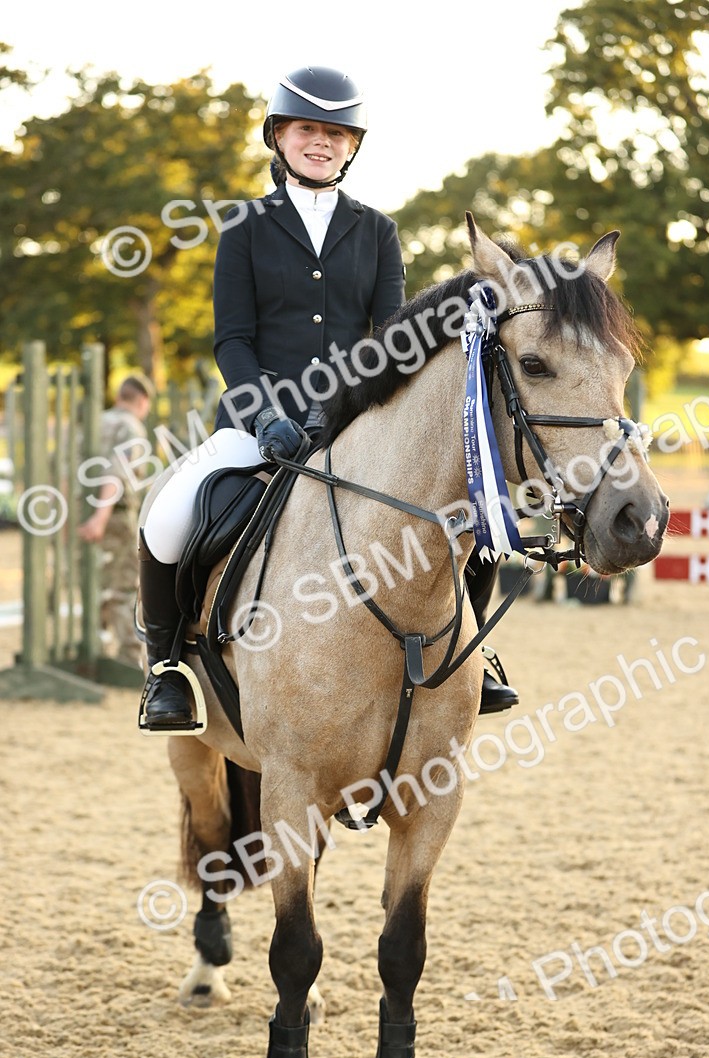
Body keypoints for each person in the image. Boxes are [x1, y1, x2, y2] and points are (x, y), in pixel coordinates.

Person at [138, 65, 516, 731]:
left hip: (354, 421)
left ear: (353, 146)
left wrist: (359, 408)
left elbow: (394, 339)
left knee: (472, 513)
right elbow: (232, 339)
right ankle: (168, 669)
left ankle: (475, 651)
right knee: (169, 513)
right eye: (308, 129)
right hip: (262, 424)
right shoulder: (245, 226)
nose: (322, 142)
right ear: (279, 136)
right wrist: (266, 416)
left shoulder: (378, 230)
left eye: (337, 134)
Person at [78, 374, 153, 667]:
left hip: (81, 512)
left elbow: (67, 469)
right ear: (142, 401)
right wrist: (101, 516)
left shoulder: (93, 424)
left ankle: (92, 647)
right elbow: (117, 473)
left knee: (93, 582)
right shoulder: (130, 427)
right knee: (124, 587)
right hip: (115, 515)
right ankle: (126, 658)